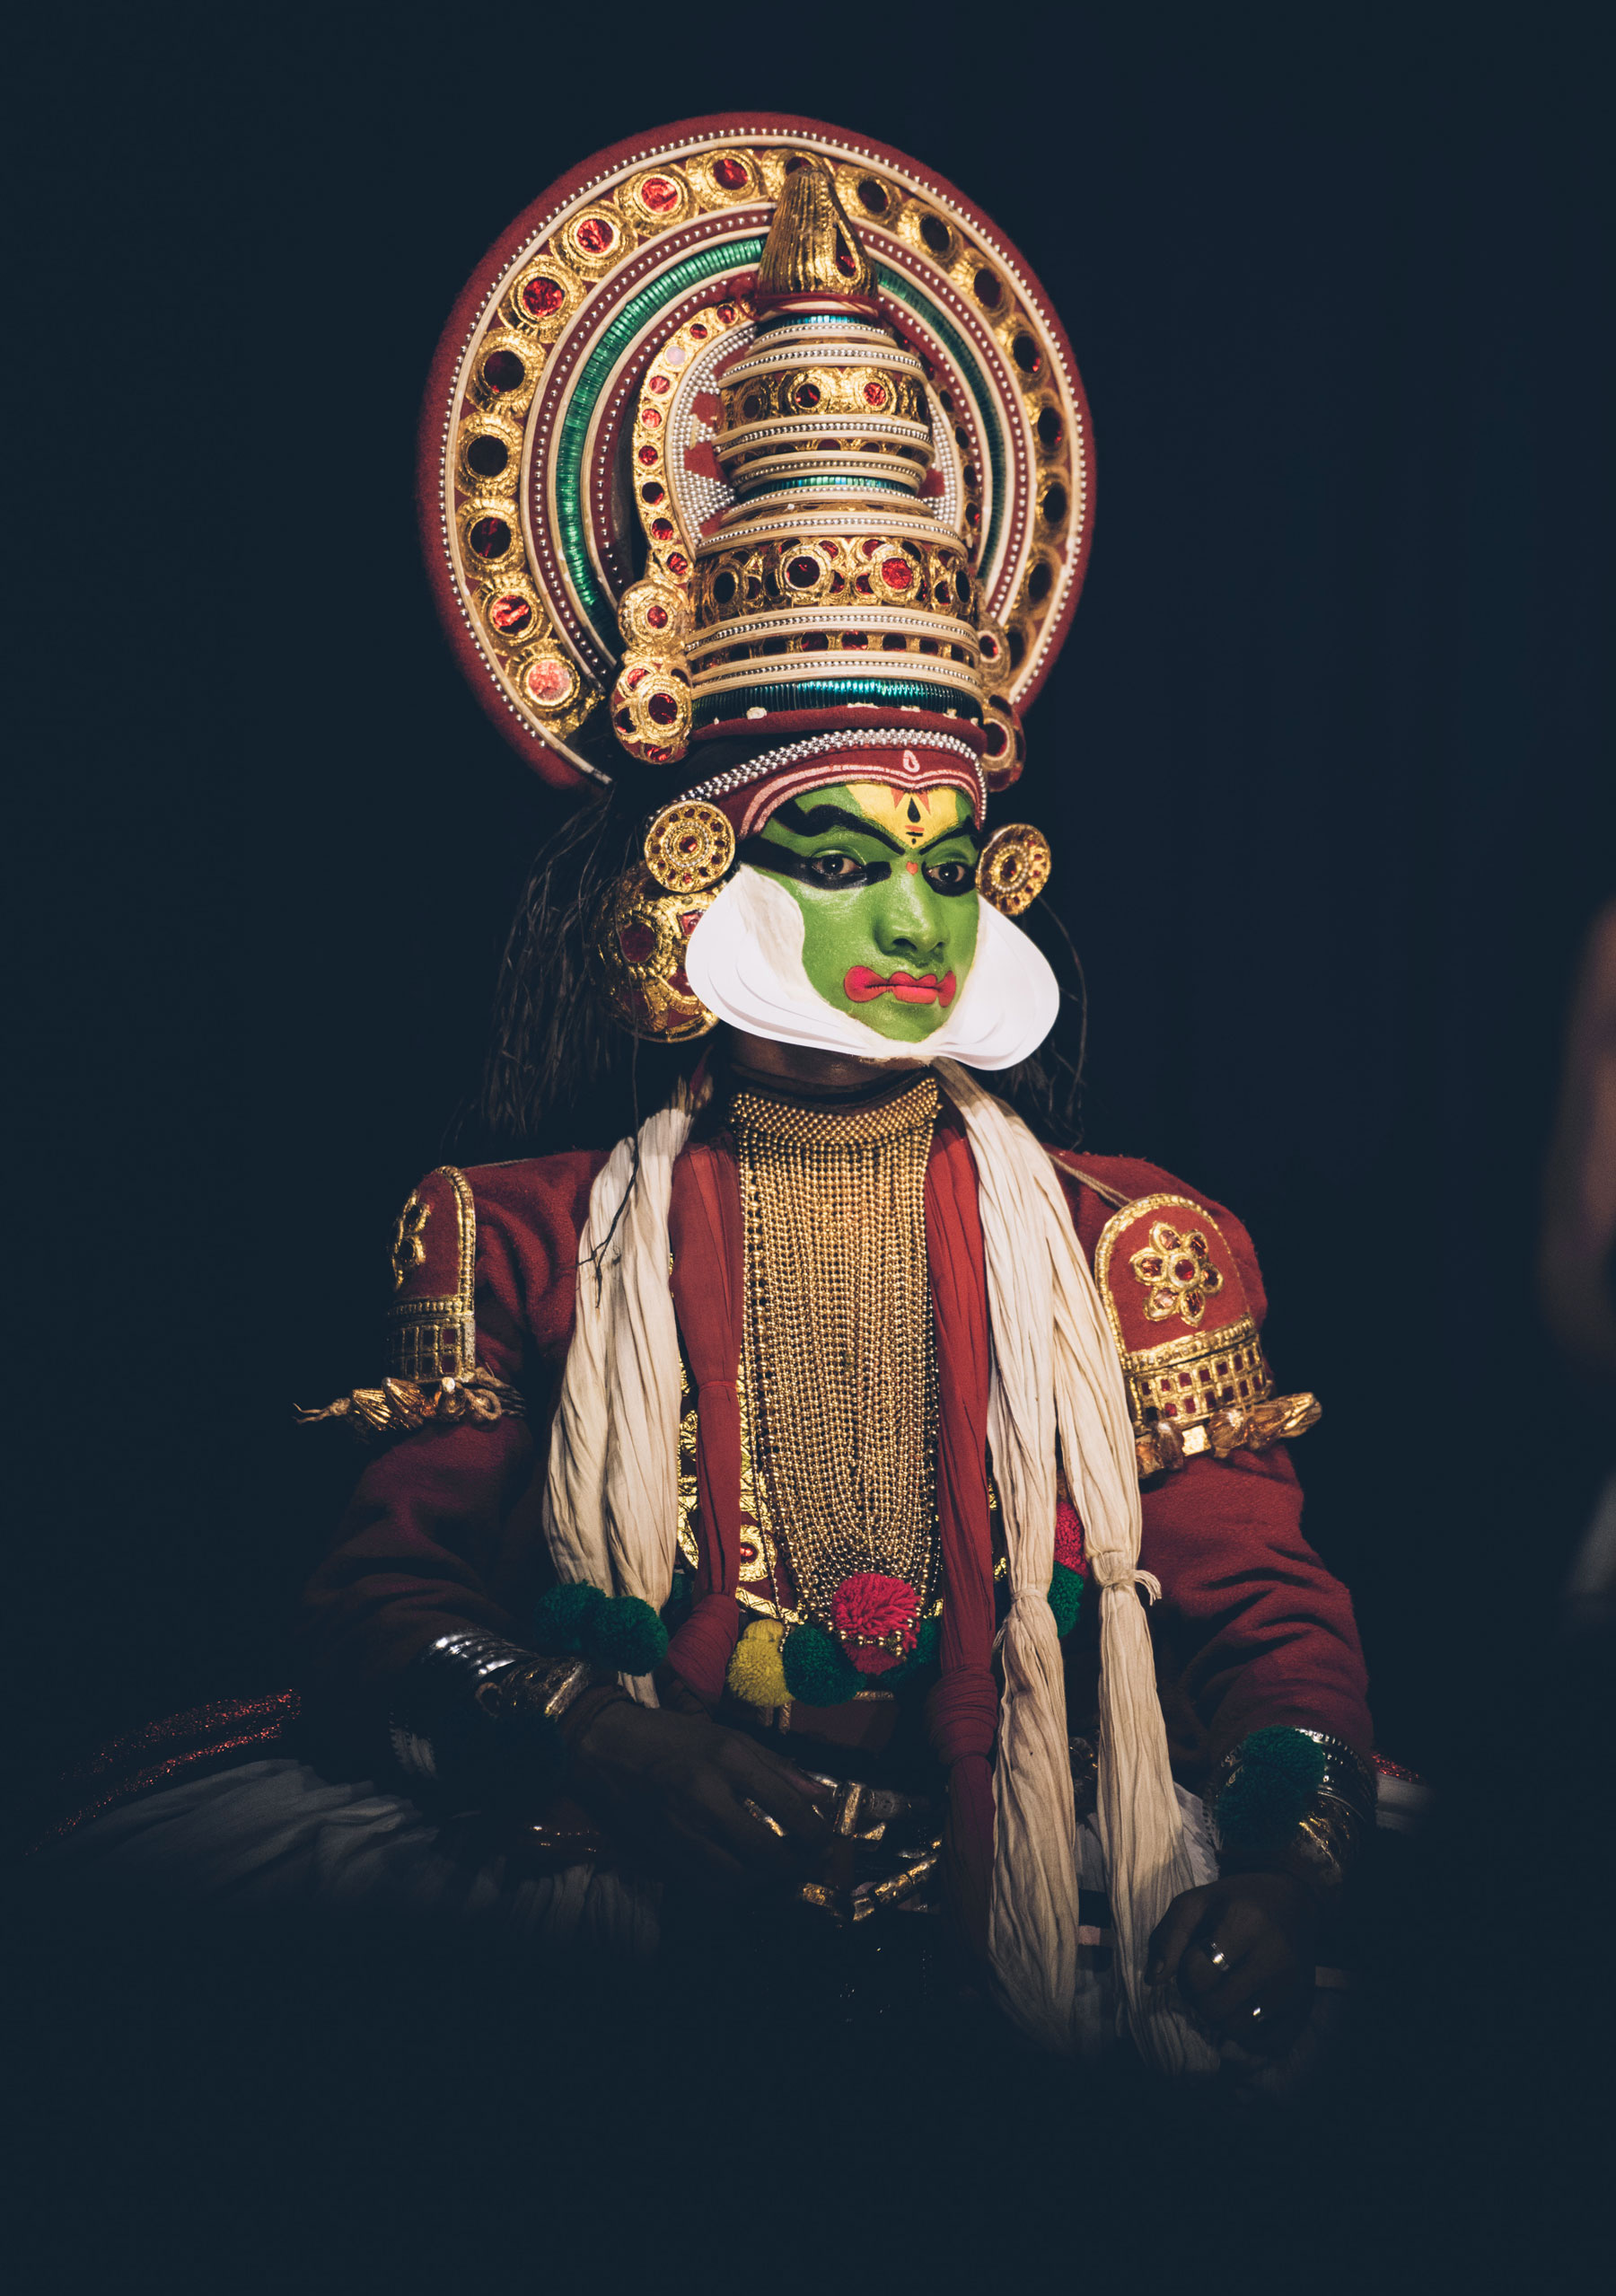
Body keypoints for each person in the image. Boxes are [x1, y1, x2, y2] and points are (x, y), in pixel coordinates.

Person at [46, 123, 1380, 2080]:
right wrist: (598, 1731)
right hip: (618, 1877)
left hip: (1044, 1883)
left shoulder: (1135, 1246)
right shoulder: (503, 1228)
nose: (916, 915)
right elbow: (376, 1601)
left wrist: (1286, 1871)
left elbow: (1270, 1621)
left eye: (951, 854)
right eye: (842, 853)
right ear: (691, 883)